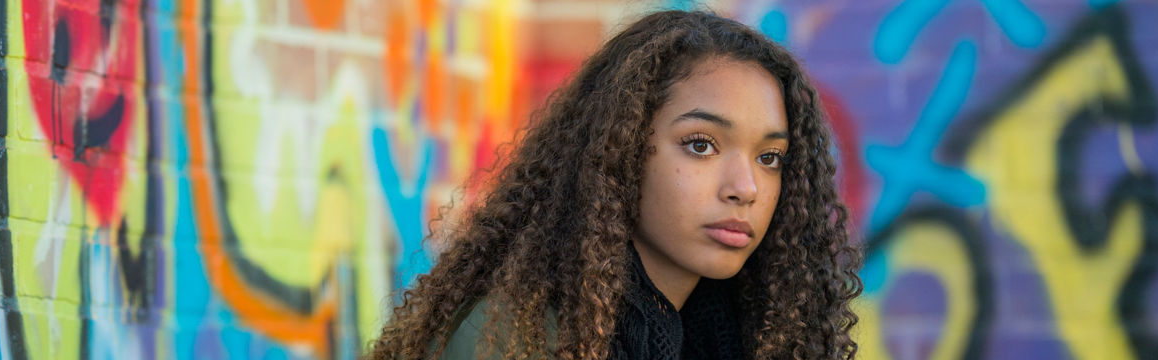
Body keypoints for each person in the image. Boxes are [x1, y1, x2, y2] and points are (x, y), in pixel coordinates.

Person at [367, 9, 862, 360]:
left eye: (770, 157)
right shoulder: (512, 338)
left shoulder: (741, 332)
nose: (746, 187)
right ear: (619, 151)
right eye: (700, 144)